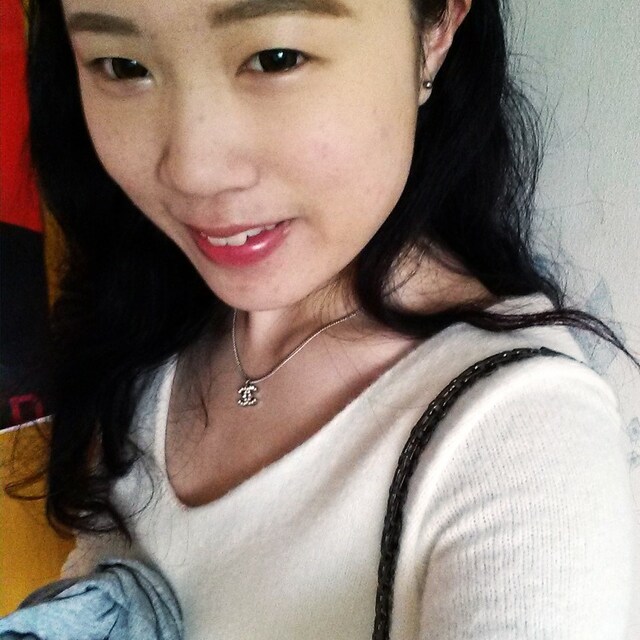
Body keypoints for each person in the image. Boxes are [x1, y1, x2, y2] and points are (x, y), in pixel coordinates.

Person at [16, 0, 637, 637]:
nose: (193, 172)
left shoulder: (524, 447)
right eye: (123, 67)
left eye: (275, 58)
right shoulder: (148, 311)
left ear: (436, 29)